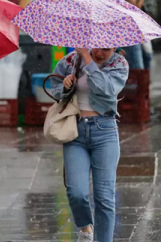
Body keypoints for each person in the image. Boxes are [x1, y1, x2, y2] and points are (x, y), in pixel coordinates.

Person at [51, 48, 129, 242]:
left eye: (106, 49)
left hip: (104, 131)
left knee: (104, 197)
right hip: (75, 132)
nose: (101, 53)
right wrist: (66, 86)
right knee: (76, 191)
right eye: (98, 48)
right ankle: (85, 228)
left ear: (115, 46)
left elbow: (107, 89)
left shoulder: (119, 64)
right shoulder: (71, 60)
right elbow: (55, 87)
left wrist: (88, 58)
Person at [116, 0, 148, 69]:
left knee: (147, 57)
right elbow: (135, 10)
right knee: (137, 67)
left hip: (135, 32)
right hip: (128, 32)